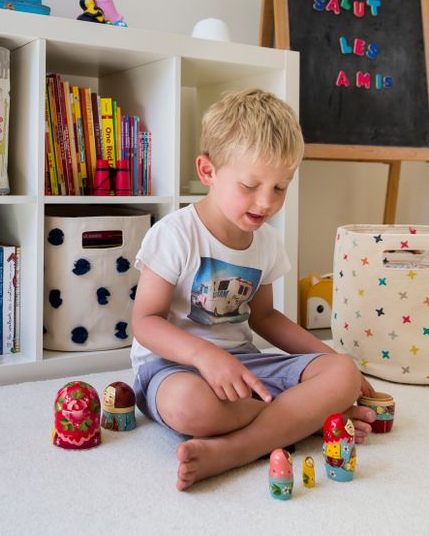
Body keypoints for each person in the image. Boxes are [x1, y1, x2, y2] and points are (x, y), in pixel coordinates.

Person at [130, 88, 375, 491]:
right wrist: (205, 356)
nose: (265, 202)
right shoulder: (175, 234)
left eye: (280, 188)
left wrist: (333, 361)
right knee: (191, 409)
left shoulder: (267, 242)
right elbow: (145, 322)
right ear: (208, 172)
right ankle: (297, 421)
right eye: (249, 185)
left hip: (244, 366)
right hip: (172, 367)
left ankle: (236, 449)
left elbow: (264, 317)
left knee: (343, 372)